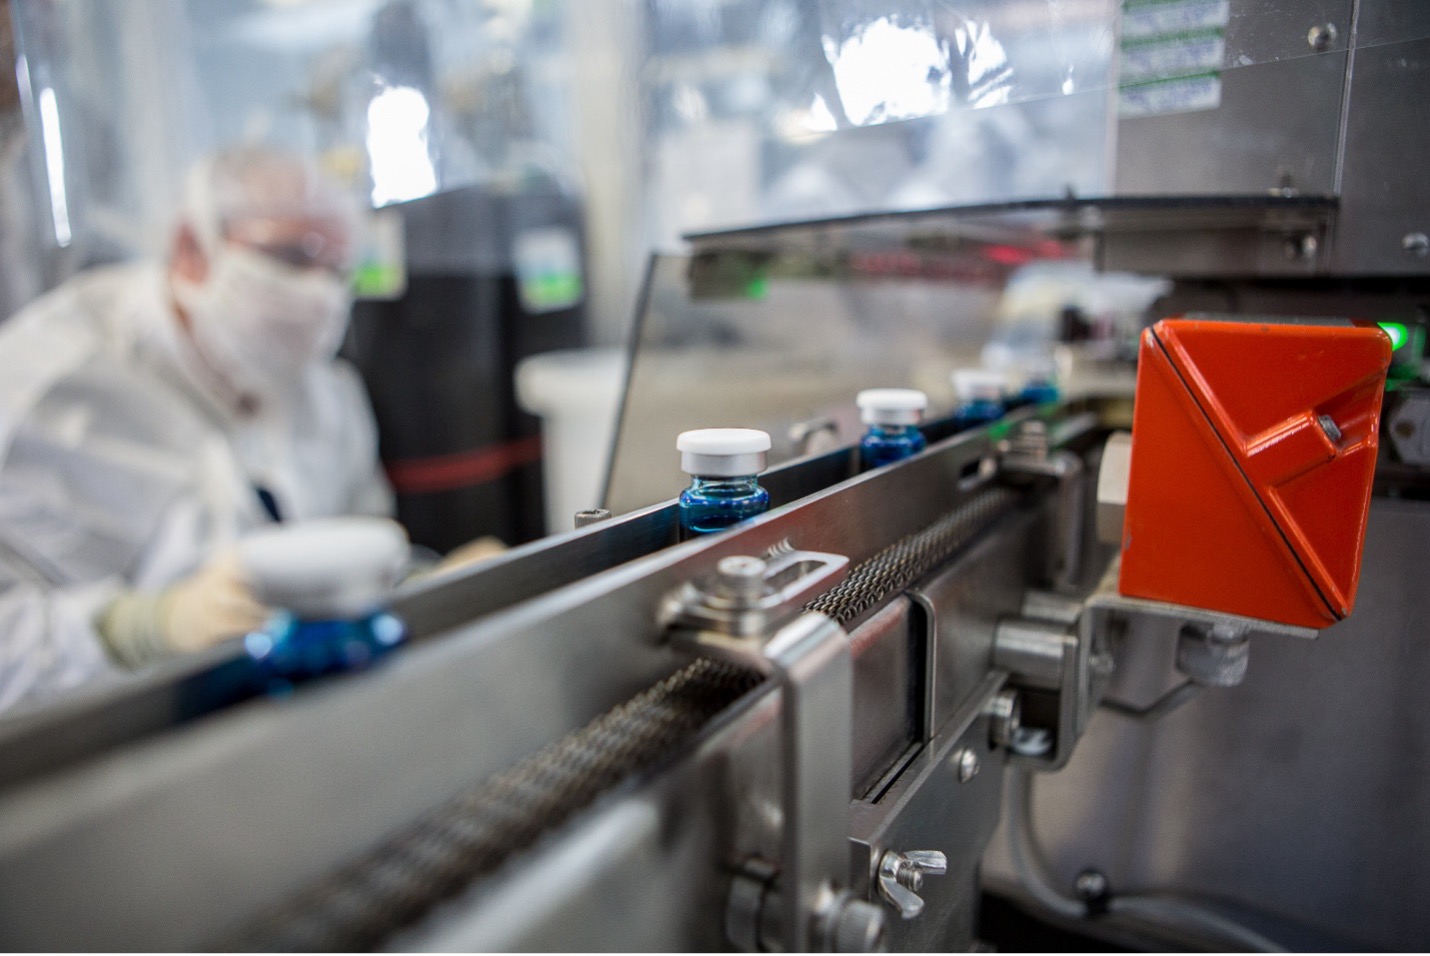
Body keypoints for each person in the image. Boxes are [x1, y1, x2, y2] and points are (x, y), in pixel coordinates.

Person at [0, 147, 393, 713]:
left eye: (338, 270)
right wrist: (137, 629)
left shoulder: (324, 392)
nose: (321, 295)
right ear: (191, 249)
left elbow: (362, 536)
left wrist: (422, 577)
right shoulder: (46, 390)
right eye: (292, 256)